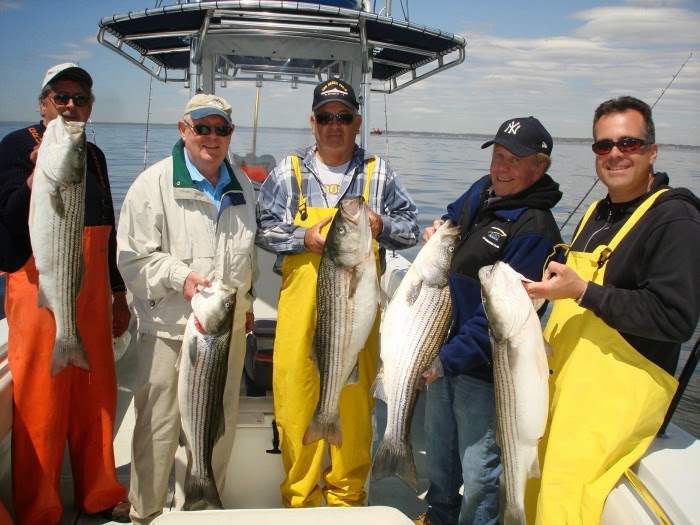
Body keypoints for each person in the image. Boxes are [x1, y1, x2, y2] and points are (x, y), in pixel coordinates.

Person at [525, 96, 700, 523]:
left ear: (652, 151)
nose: (616, 154)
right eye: (603, 146)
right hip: (561, 388)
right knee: (530, 492)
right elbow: (573, 293)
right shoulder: (597, 212)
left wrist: (583, 290)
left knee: (562, 504)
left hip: (614, 402)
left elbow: (675, 318)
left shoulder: (675, 218)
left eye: (629, 143)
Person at [256, 78, 419, 507]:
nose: (335, 125)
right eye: (326, 117)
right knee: (295, 405)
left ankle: (348, 501)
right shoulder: (286, 172)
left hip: (358, 314)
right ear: (313, 123)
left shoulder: (379, 173)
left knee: (354, 415)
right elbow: (263, 229)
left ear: (358, 122)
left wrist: (382, 226)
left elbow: (411, 227)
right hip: (300, 314)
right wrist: (302, 238)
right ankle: (301, 500)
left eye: (344, 117)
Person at [116, 93, 258, 524]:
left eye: (221, 129)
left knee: (218, 426)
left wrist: (247, 303)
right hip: (168, 329)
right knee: (156, 428)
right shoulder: (151, 184)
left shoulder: (244, 186)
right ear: (183, 130)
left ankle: (203, 509)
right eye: (202, 128)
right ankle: (146, 512)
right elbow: (133, 259)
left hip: (224, 331)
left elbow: (246, 257)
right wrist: (181, 277)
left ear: (230, 135)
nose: (212, 138)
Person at [0, 63, 131, 524]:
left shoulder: (92, 154)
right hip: (39, 284)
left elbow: (108, 228)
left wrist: (117, 293)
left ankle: (99, 491)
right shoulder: (18, 146)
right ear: (43, 103)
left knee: (96, 394)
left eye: (81, 98)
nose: (71, 105)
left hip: (92, 287)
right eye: (61, 97)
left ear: (90, 108)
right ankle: (40, 506)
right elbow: (9, 217)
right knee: (41, 398)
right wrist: (37, 181)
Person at [416, 117, 563, 525]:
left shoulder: (536, 232)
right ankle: (437, 517)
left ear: (539, 168)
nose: (501, 167)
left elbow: (501, 319)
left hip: (485, 370)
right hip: (443, 350)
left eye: (514, 160)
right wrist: (438, 229)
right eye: (498, 155)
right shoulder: (483, 190)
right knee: (441, 461)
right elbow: (452, 215)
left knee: (480, 474)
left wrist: (446, 361)